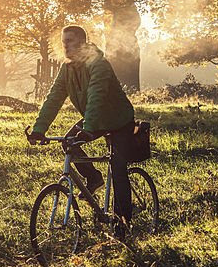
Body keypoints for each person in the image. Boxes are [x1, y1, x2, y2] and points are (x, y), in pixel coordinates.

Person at [28, 25, 137, 240]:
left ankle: (123, 224)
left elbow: (96, 96)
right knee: (69, 143)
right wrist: (39, 130)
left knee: (117, 168)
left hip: (118, 120)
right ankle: (93, 177)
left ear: (83, 43)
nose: (66, 46)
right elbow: (54, 98)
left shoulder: (99, 64)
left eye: (70, 41)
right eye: (63, 42)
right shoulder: (67, 68)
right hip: (94, 119)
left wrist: (88, 130)